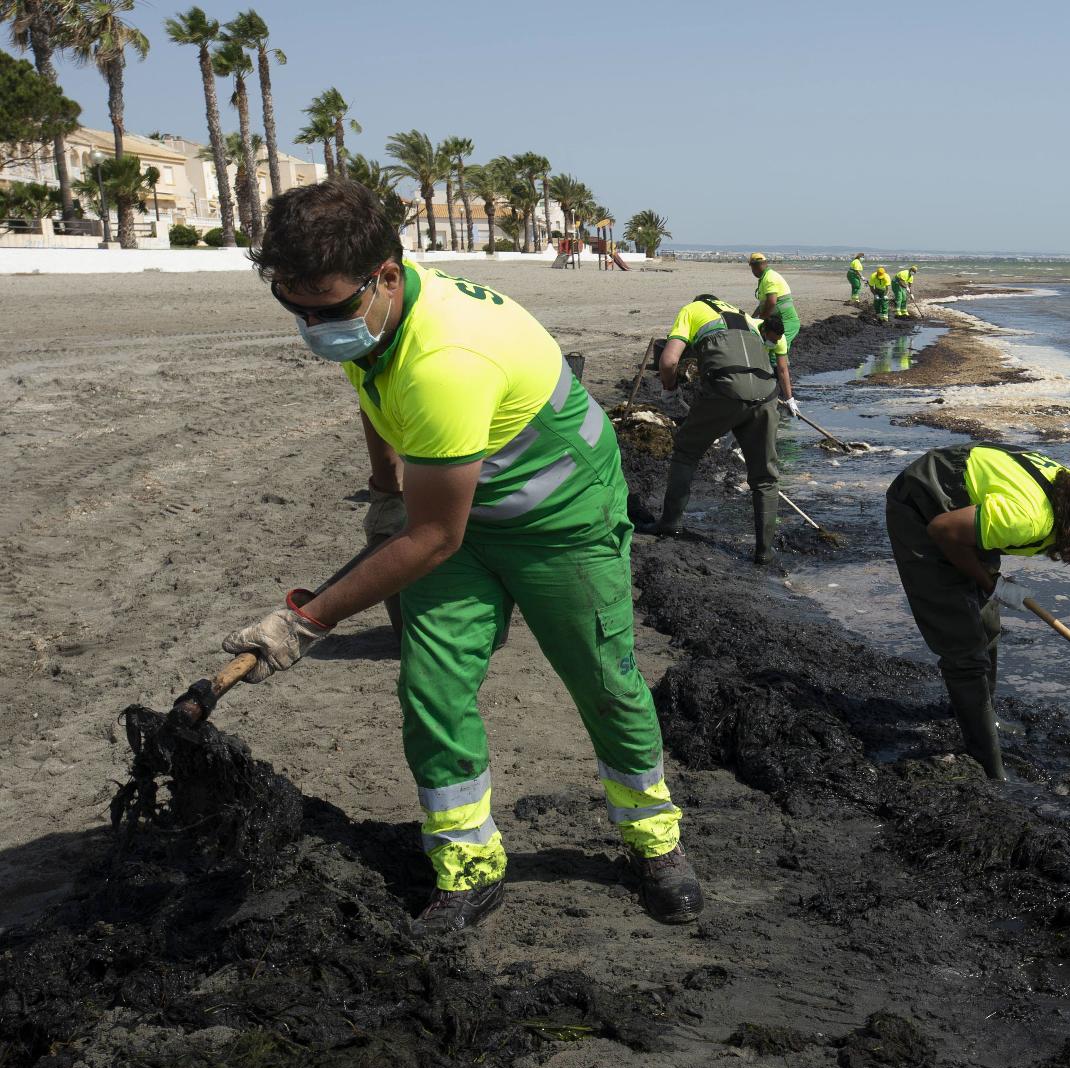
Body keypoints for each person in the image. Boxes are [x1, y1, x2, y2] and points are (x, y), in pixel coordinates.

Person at [222, 179, 702, 936]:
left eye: (327, 307)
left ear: (386, 272)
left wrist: (304, 623)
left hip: (562, 524)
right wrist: (386, 489)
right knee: (434, 689)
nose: (312, 325)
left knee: (605, 682)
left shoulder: (447, 356)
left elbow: (431, 538)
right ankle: (469, 868)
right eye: (294, 306)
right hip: (458, 517)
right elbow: (375, 394)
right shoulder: (376, 321)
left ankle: (655, 841)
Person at [884, 443, 1070, 779]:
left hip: (970, 506)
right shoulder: (1030, 519)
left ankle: (984, 717)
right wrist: (991, 582)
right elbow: (942, 530)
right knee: (963, 645)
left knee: (986, 626)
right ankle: (986, 763)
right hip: (925, 502)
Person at [651, 293, 793, 564]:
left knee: (685, 451)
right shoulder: (747, 317)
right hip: (766, 394)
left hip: (725, 391)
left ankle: (670, 523)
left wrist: (669, 389)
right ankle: (765, 551)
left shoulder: (691, 310)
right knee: (765, 477)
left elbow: (669, 361)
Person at [748, 253, 800, 379]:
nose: (755, 269)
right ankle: (777, 379)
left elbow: (772, 302)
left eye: (758, 266)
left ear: (764, 265)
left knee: (776, 352)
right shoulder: (764, 278)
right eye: (755, 266)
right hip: (776, 321)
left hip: (786, 322)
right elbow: (763, 304)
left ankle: (780, 382)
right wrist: (751, 319)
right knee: (770, 349)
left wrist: (762, 320)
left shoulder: (769, 278)